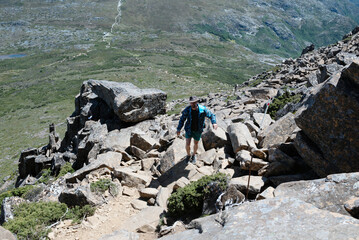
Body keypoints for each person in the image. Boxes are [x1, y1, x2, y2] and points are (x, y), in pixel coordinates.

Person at [176, 96, 218, 164]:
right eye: (192, 103)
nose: (193, 104)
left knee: (196, 143)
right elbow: (182, 119)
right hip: (189, 129)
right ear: (190, 103)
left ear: (197, 102)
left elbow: (212, 115)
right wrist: (178, 129)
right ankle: (188, 155)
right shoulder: (187, 110)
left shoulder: (203, 109)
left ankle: (194, 155)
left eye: (194, 102)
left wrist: (214, 123)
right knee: (187, 144)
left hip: (198, 129)